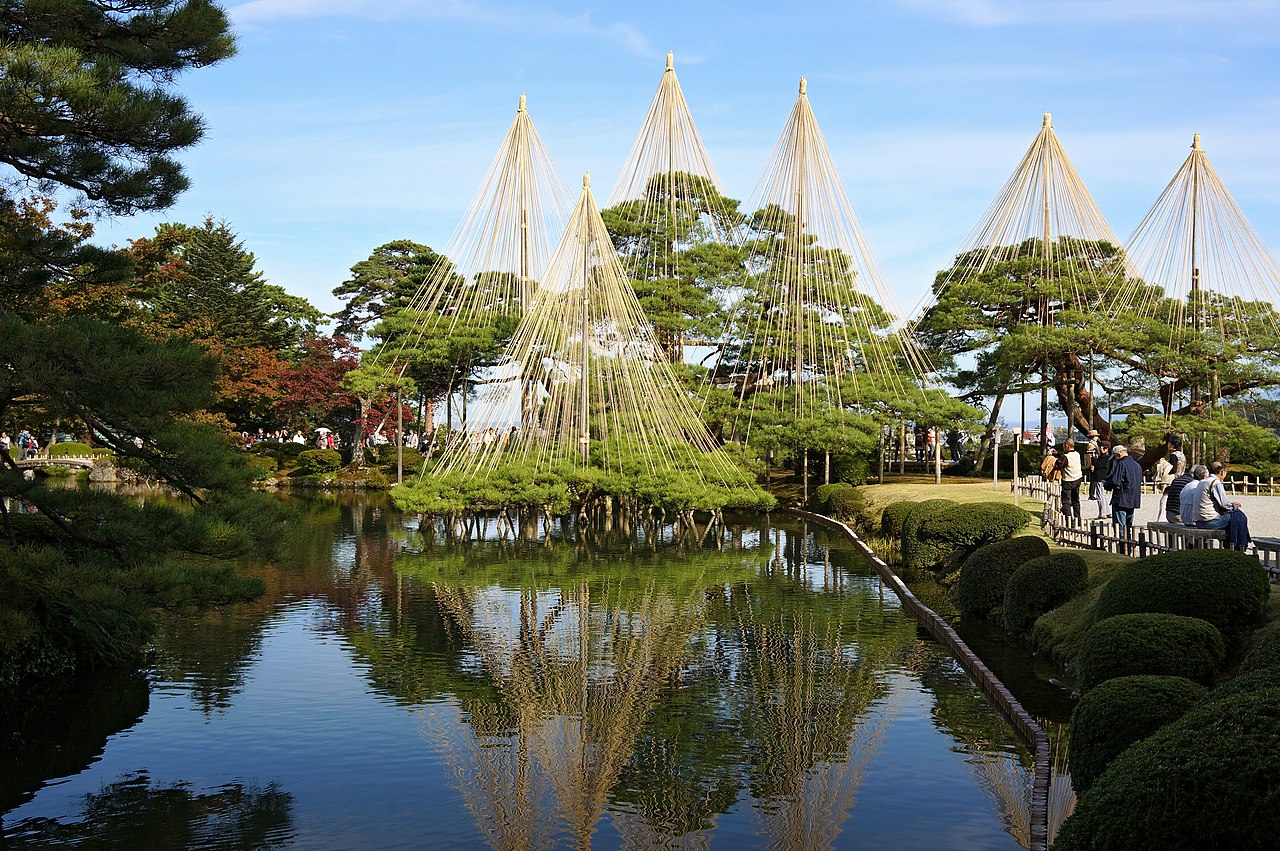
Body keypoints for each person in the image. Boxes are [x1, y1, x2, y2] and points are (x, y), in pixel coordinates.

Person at [1195, 461, 1252, 551]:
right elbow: (1224, 504)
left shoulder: (1203, 482)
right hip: (1209, 522)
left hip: (1199, 521)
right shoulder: (1216, 482)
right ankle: (1239, 546)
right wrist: (1234, 506)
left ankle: (1234, 544)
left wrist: (1230, 506)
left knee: (1234, 516)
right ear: (1222, 472)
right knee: (1239, 516)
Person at [1104, 444, 1143, 529]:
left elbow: (1115, 481)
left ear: (1119, 455)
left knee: (1120, 527)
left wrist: (1106, 484)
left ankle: (1122, 542)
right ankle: (1128, 541)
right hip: (1133, 499)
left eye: (1115, 458)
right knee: (1128, 527)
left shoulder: (1121, 464)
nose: (1115, 460)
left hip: (1121, 499)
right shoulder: (1137, 465)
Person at [1057, 439, 1086, 519]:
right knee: (1076, 500)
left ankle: (1069, 521)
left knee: (1066, 502)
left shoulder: (1066, 457)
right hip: (1078, 478)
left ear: (1066, 446)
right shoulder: (1077, 454)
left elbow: (1059, 464)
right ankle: (1078, 519)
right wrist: (1058, 455)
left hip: (1068, 480)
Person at [1089, 442, 1113, 519]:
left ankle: (1102, 513)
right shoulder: (1107, 457)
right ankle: (1108, 511)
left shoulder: (1105, 458)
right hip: (1103, 478)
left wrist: (1093, 458)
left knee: (1100, 496)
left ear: (1106, 449)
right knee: (1103, 496)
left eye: (1101, 448)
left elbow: (1097, 465)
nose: (1100, 449)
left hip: (1100, 478)